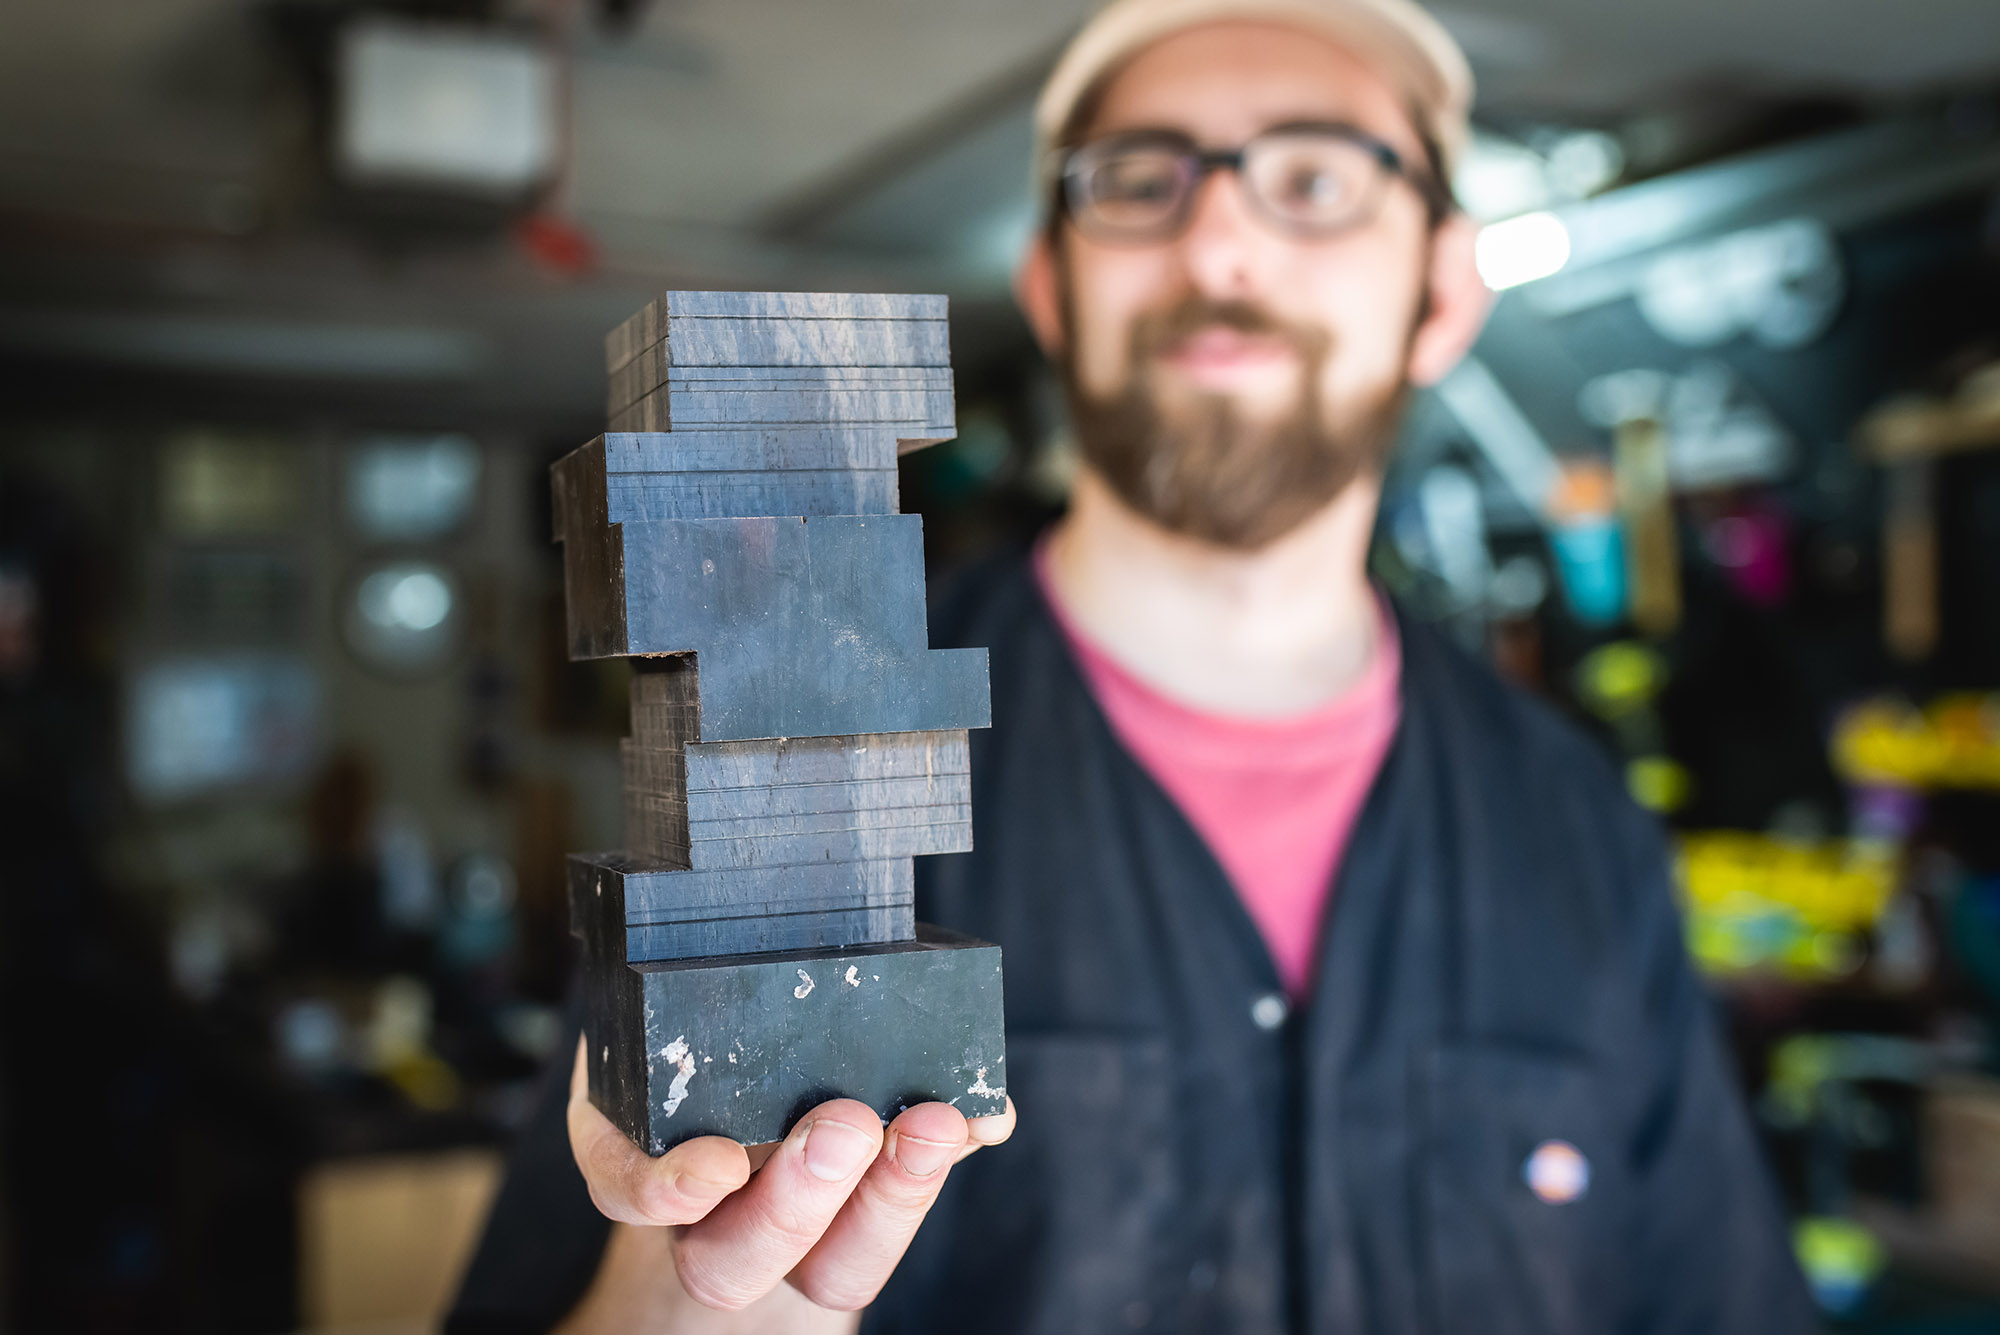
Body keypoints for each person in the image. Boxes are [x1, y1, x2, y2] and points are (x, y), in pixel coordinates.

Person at [449, 0, 1821, 1330]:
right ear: (1050, 285)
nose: (1220, 236)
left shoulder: (1582, 830)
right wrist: (696, 1303)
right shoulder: (782, 786)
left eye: (1319, 177)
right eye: (1141, 180)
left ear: (1444, 291)